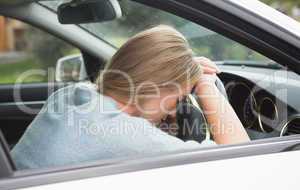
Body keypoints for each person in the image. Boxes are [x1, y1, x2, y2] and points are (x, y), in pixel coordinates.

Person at [11, 25, 249, 170]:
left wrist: (181, 74)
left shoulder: (71, 95)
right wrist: (206, 87)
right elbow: (241, 159)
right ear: (156, 87)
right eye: (177, 100)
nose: (173, 113)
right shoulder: (125, 134)